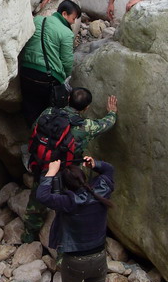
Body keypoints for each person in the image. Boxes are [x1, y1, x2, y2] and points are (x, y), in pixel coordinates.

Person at [36, 157, 114, 282]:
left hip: (75, 260)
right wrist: (96, 163)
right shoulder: (100, 191)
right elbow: (109, 170)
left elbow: (42, 196)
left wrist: (51, 173)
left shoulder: (66, 201)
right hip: (98, 256)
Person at [21, 89, 117, 243]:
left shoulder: (49, 112)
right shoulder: (85, 127)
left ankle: (28, 236)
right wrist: (112, 112)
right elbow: (107, 124)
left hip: (43, 165)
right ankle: (65, 245)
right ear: (86, 108)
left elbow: (34, 128)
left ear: (67, 99)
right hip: (67, 174)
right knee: (69, 205)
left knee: (35, 204)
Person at [19, 0, 81, 127]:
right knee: (46, 113)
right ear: (64, 14)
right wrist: (65, 77)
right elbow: (67, 61)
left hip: (25, 72)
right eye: (73, 18)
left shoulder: (37, 20)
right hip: (47, 78)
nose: (74, 22)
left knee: (30, 107)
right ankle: (43, 140)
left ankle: (31, 136)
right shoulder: (66, 33)